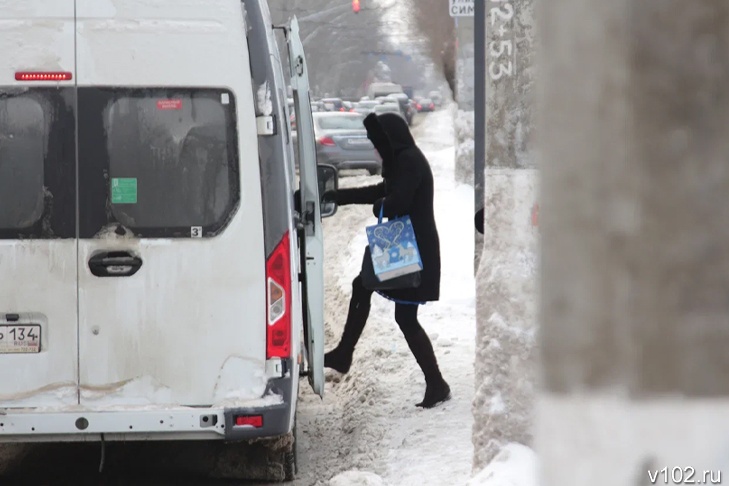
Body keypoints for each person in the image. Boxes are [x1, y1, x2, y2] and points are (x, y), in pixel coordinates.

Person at [322, 112, 450, 409]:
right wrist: (339, 197)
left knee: (396, 310)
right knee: (377, 297)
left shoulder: (409, 161)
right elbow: (381, 191)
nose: (376, 148)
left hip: (412, 251)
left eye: (377, 142)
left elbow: (396, 201)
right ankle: (434, 383)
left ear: (390, 138)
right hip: (409, 247)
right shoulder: (403, 160)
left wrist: (381, 205)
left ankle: (436, 383)